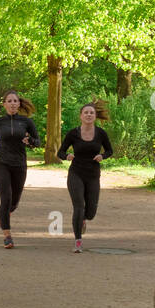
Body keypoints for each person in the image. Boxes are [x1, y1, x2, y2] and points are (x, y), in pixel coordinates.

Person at [0, 90, 40, 249]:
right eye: (9, 101)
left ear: (19, 104)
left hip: (20, 165)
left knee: (14, 202)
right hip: (1, 163)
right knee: (6, 198)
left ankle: (5, 215)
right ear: (4, 104)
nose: (13, 104)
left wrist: (29, 141)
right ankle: (7, 236)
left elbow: (38, 142)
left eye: (15, 101)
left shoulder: (27, 122)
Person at [58, 99, 115, 253]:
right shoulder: (73, 133)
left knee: (90, 212)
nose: (89, 115)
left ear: (95, 116)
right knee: (79, 207)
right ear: (81, 116)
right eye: (86, 112)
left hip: (93, 175)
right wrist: (67, 156)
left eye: (91, 113)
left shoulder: (101, 133)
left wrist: (103, 156)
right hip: (76, 173)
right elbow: (60, 152)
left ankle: (84, 220)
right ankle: (78, 241)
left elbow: (110, 150)